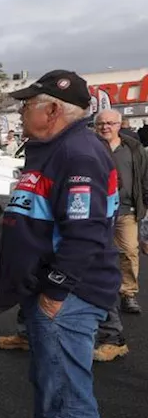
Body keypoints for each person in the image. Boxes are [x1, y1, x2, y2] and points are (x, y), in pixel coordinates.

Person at [0, 70, 119, 418]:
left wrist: (55, 293)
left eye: (27, 103)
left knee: (68, 394)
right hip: (47, 291)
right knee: (51, 389)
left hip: (67, 296)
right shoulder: (52, 149)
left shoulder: (78, 152)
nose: (20, 110)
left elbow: (85, 235)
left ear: (52, 110)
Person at [93, 109, 148, 314]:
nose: (105, 127)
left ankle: (128, 294)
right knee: (94, 252)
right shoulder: (89, 146)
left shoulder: (133, 148)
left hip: (126, 209)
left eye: (110, 123)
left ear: (119, 125)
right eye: (101, 124)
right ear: (95, 126)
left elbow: (144, 177)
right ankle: (95, 293)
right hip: (96, 210)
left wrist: (145, 204)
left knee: (129, 252)